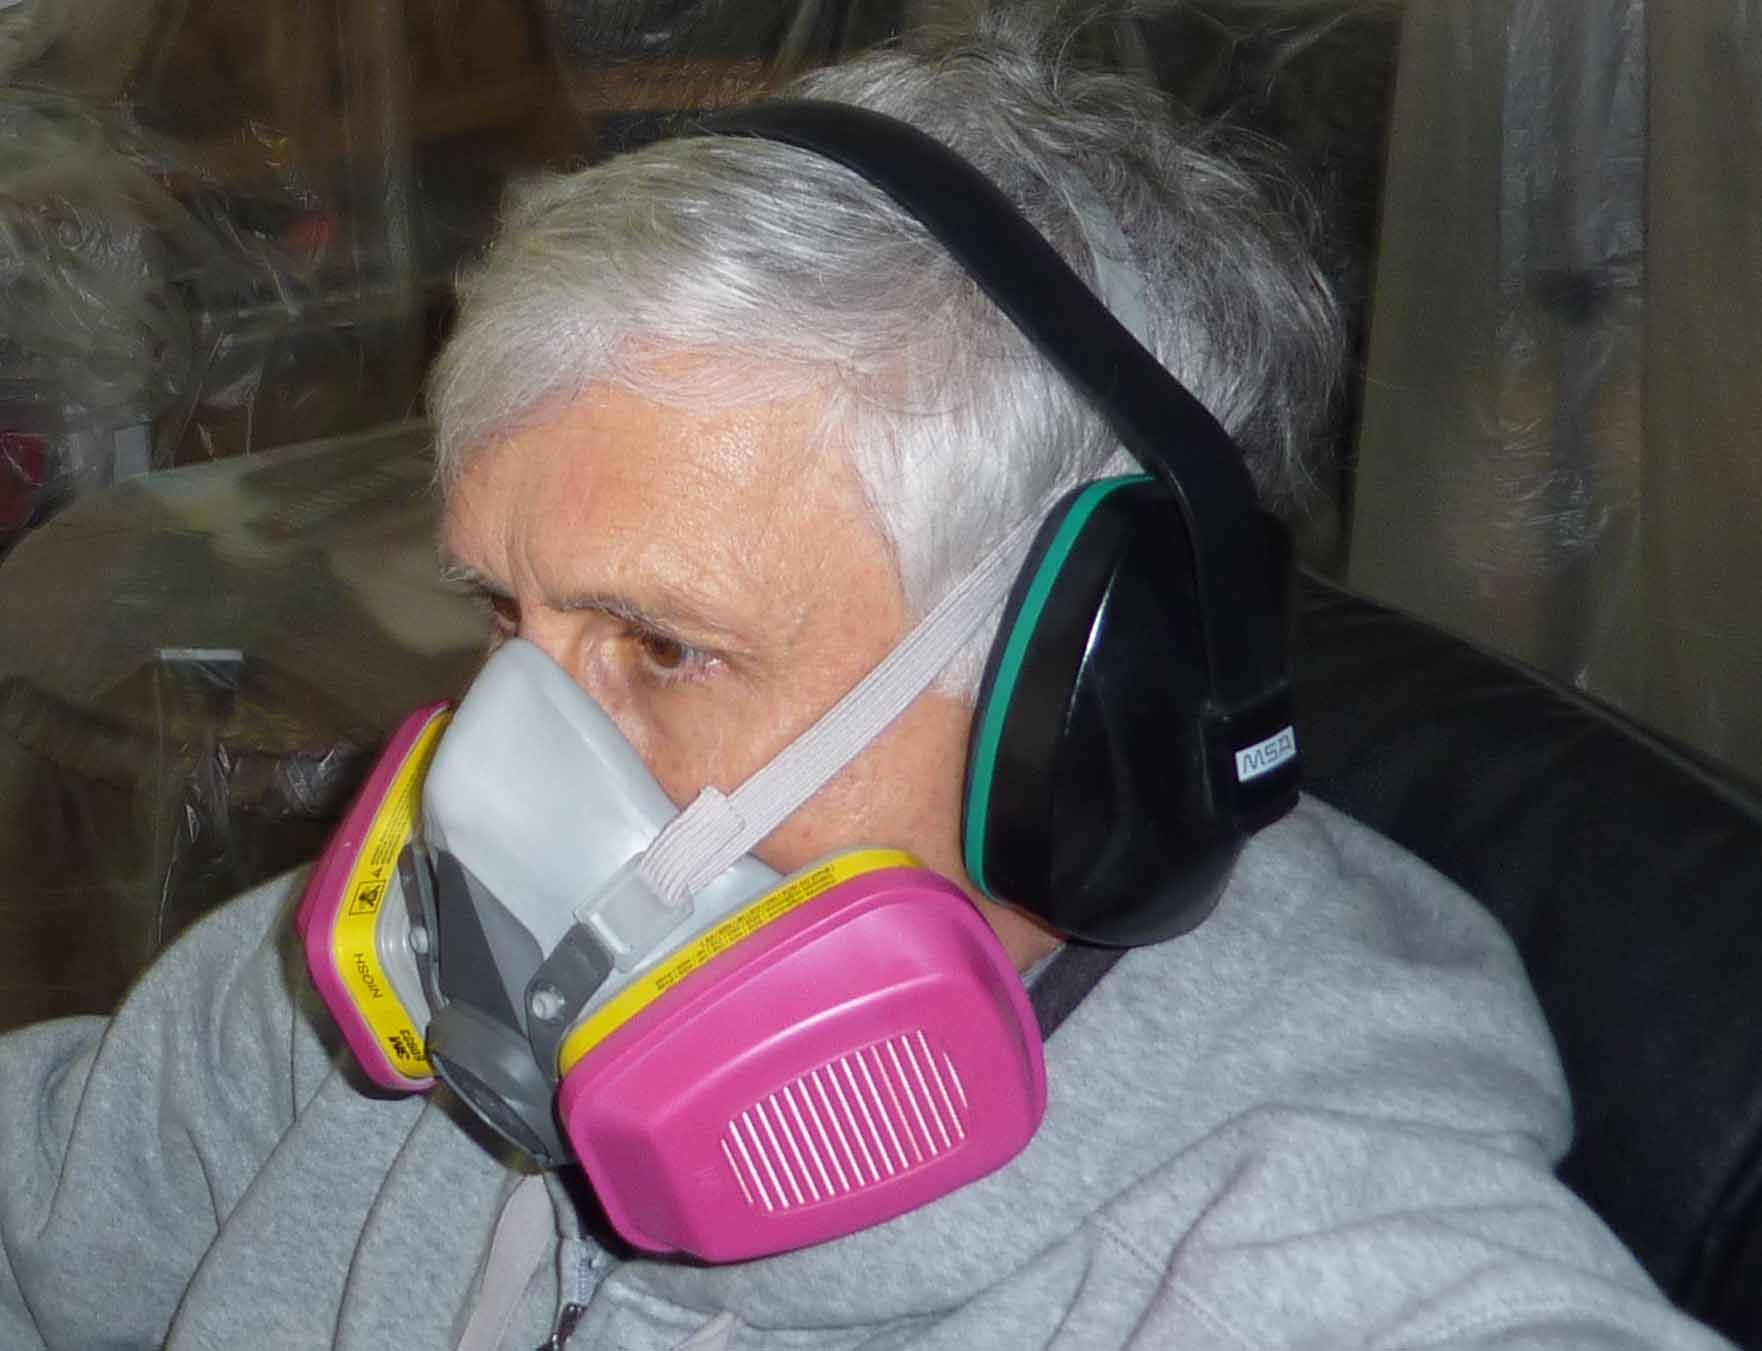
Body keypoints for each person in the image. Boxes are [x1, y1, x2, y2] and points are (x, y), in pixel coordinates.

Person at [0, 15, 1737, 1350]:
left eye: (663, 647)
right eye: (505, 620)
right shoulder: (383, 998)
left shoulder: (1290, 1267)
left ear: (1087, 712)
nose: (488, 790)